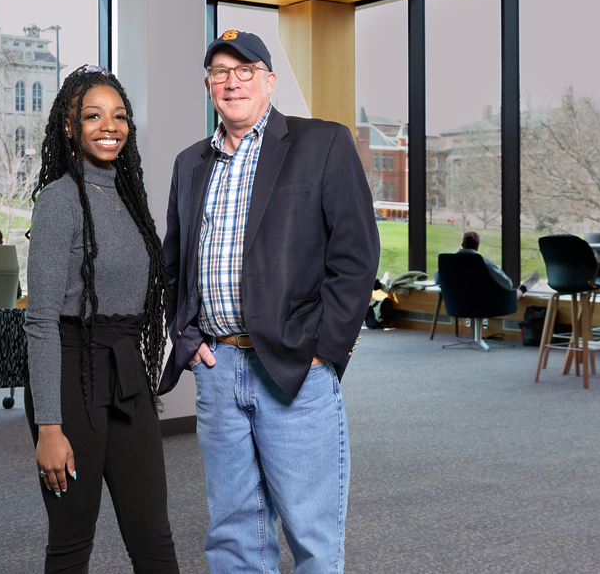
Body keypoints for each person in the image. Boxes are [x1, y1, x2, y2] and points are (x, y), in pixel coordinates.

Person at [159, 30, 379, 573]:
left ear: (270, 81)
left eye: (245, 70)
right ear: (209, 85)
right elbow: (174, 263)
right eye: (220, 72)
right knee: (233, 528)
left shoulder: (322, 143)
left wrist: (324, 349)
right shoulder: (190, 163)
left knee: (310, 529)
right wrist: (187, 336)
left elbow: (355, 257)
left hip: (294, 367)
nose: (232, 82)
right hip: (218, 366)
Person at [23, 65, 178, 573]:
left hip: (127, 373)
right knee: (72, 541)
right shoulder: (59, 201)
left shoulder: (129, 199)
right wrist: (49, 426)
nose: (108, 125)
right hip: (71, 375)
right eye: (93, 115)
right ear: (70, 127)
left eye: (119, 115)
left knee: (154, 536)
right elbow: (41, 320)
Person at [436, 231, 539, 298]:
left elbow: (437, 278)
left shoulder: (448, 263)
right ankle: (524, 287)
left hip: (457, 305)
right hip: (488, 305)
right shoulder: (484, 263)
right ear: (477, 247)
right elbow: (508, 285)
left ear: (462, 245)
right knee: (513, 294)